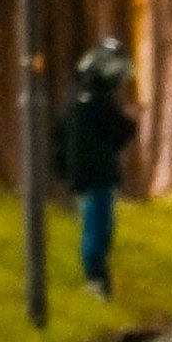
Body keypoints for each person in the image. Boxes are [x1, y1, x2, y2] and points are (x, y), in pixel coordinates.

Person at [59, 38, 143, 302]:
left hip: (86, 174)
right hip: (97, 175)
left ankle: (99, 277)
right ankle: (95, 279)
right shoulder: (96, 102)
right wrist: (131, 119)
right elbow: (120, 131)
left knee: (98, 227)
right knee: (97, 228)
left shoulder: (77, 101)